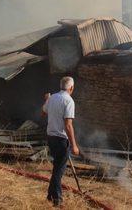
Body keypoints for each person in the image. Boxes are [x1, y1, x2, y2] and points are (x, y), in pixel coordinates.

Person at [42, 76, 80, 206]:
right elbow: (68, 125)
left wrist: (47, 100)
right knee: (59, 170)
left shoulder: (52, 98)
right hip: (61, 139)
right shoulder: (68, 101)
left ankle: (50, 196)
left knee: (57, 167)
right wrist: (74, 145)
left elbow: (43, 113)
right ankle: (57, 199)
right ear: (72, 88)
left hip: (51, 137)